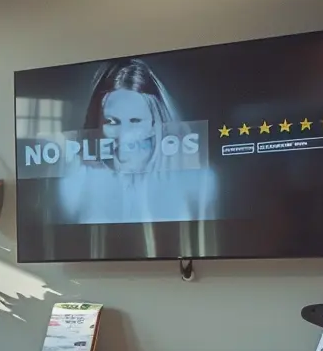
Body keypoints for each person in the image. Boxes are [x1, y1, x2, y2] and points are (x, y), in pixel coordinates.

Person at [54, 57, 216, 225]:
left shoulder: (196, 179)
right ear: (97, 124)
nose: (124, 136)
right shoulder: (75, 181)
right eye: (111, 122)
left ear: (156, 124)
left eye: (135, 121)